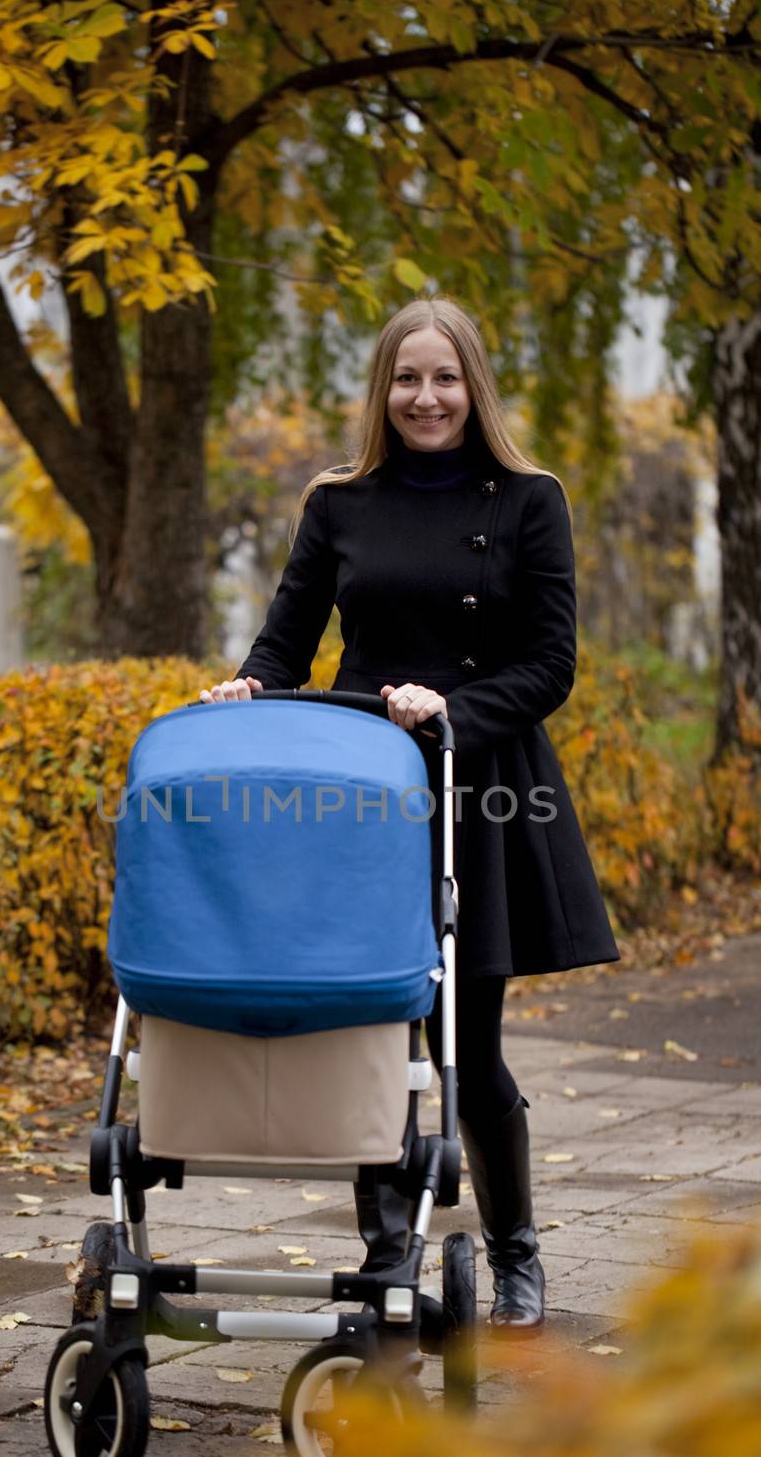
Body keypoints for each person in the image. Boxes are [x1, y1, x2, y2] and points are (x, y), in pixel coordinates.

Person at [200, 297, 618, 1333]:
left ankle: (515, 1252)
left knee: (466, 1043)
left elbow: (549, 663)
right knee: (369, 1029)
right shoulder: (338, 501)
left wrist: (453, 710)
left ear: (471, 384)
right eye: (405, 378)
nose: (424, 397)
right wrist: (247, 690)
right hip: (359, 789)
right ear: (381, 390)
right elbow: (284, 641)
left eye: (443, 377)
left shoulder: (529, 499)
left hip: (473, 782)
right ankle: (386, 1255)